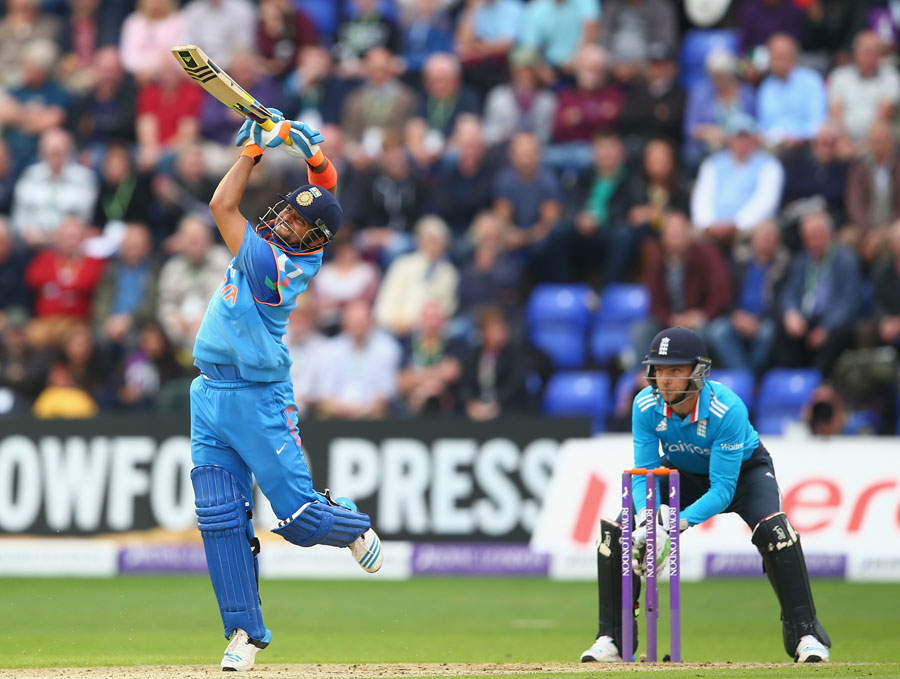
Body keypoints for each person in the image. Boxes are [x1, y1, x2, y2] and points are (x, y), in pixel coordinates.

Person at [188, 113, 384, 671]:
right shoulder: (285, 240)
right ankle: (243, 634)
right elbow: (326, 192)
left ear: (314, 240)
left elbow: (221, 206)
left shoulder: (274, 266)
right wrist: (313, 157)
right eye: (285, 212)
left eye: (297, 222)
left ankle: (349, 522)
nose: (283, 220)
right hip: (209, 393)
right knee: (219, 517)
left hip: (259, 400)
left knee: (300, 522)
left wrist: (252, 152)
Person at [580, 326, 832, 664]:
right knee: (617, 533)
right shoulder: (645, 404)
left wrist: (674, 525)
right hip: (682, 473)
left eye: (675, 371)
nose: (664, 380)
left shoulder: (726, 409)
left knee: (776, 531)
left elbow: (723, 490)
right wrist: (647, 521)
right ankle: (613, 638)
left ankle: (806, 634)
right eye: (659, 370)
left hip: (744, 474)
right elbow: (644, 475)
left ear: (698, 372)